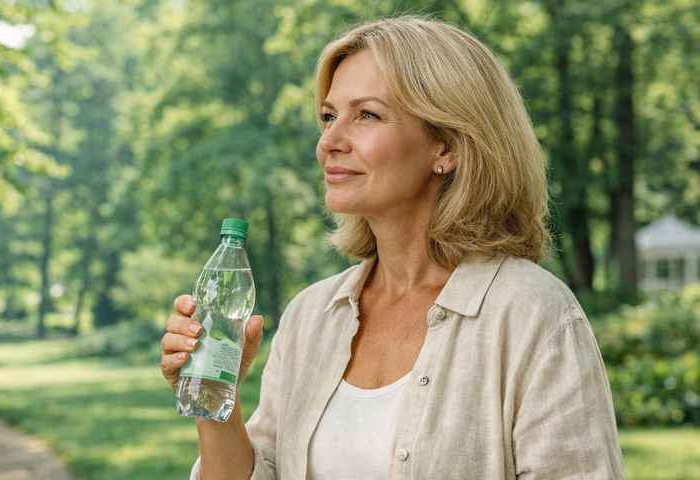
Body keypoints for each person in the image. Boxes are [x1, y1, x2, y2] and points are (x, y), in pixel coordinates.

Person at [160, 16, 624, 480]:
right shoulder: (311, 316)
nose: (329, 142)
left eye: (367, 115)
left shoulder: (531, 314)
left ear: (447, 146)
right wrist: (214, 394)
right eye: (328, 116)